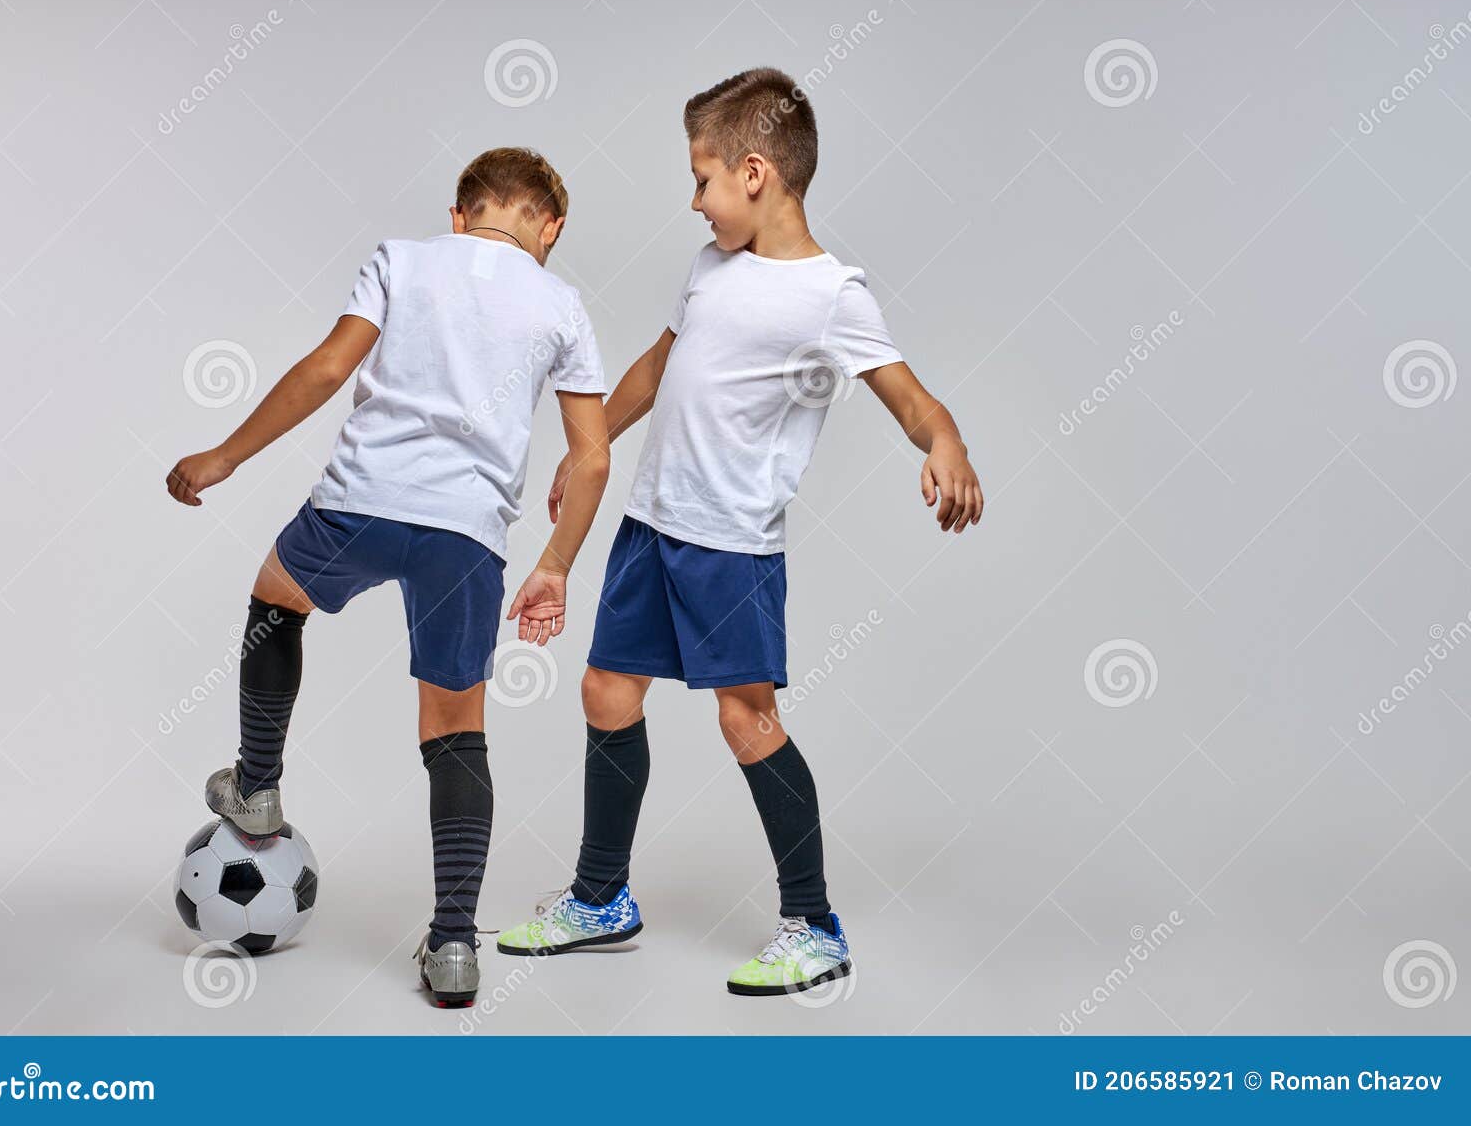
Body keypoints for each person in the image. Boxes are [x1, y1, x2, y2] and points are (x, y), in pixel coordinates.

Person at [495, 69, 984, 997]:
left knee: (745, 717)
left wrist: (947, 442)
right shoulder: (711, 267)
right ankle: (601, 896)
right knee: (606, 687)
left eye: (703, 178)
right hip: (651, 523)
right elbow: (658, 362)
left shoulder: (834, 294)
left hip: (731, 546)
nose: (694, 200)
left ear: (755, 172)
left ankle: (814, 924)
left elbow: (914, 401)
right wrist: (591, 441)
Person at [165, 147, 611, 1008]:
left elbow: (329, 369)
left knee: (276, 596)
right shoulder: (562, 304)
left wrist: (224, 454)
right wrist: (554, 565)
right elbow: (590, 458)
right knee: (455, 731)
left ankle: (257, 784)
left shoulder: (403, 258)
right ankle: (452, 946)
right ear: (549, 227)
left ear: (460, 212)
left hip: (360, 503)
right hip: (467, 539)